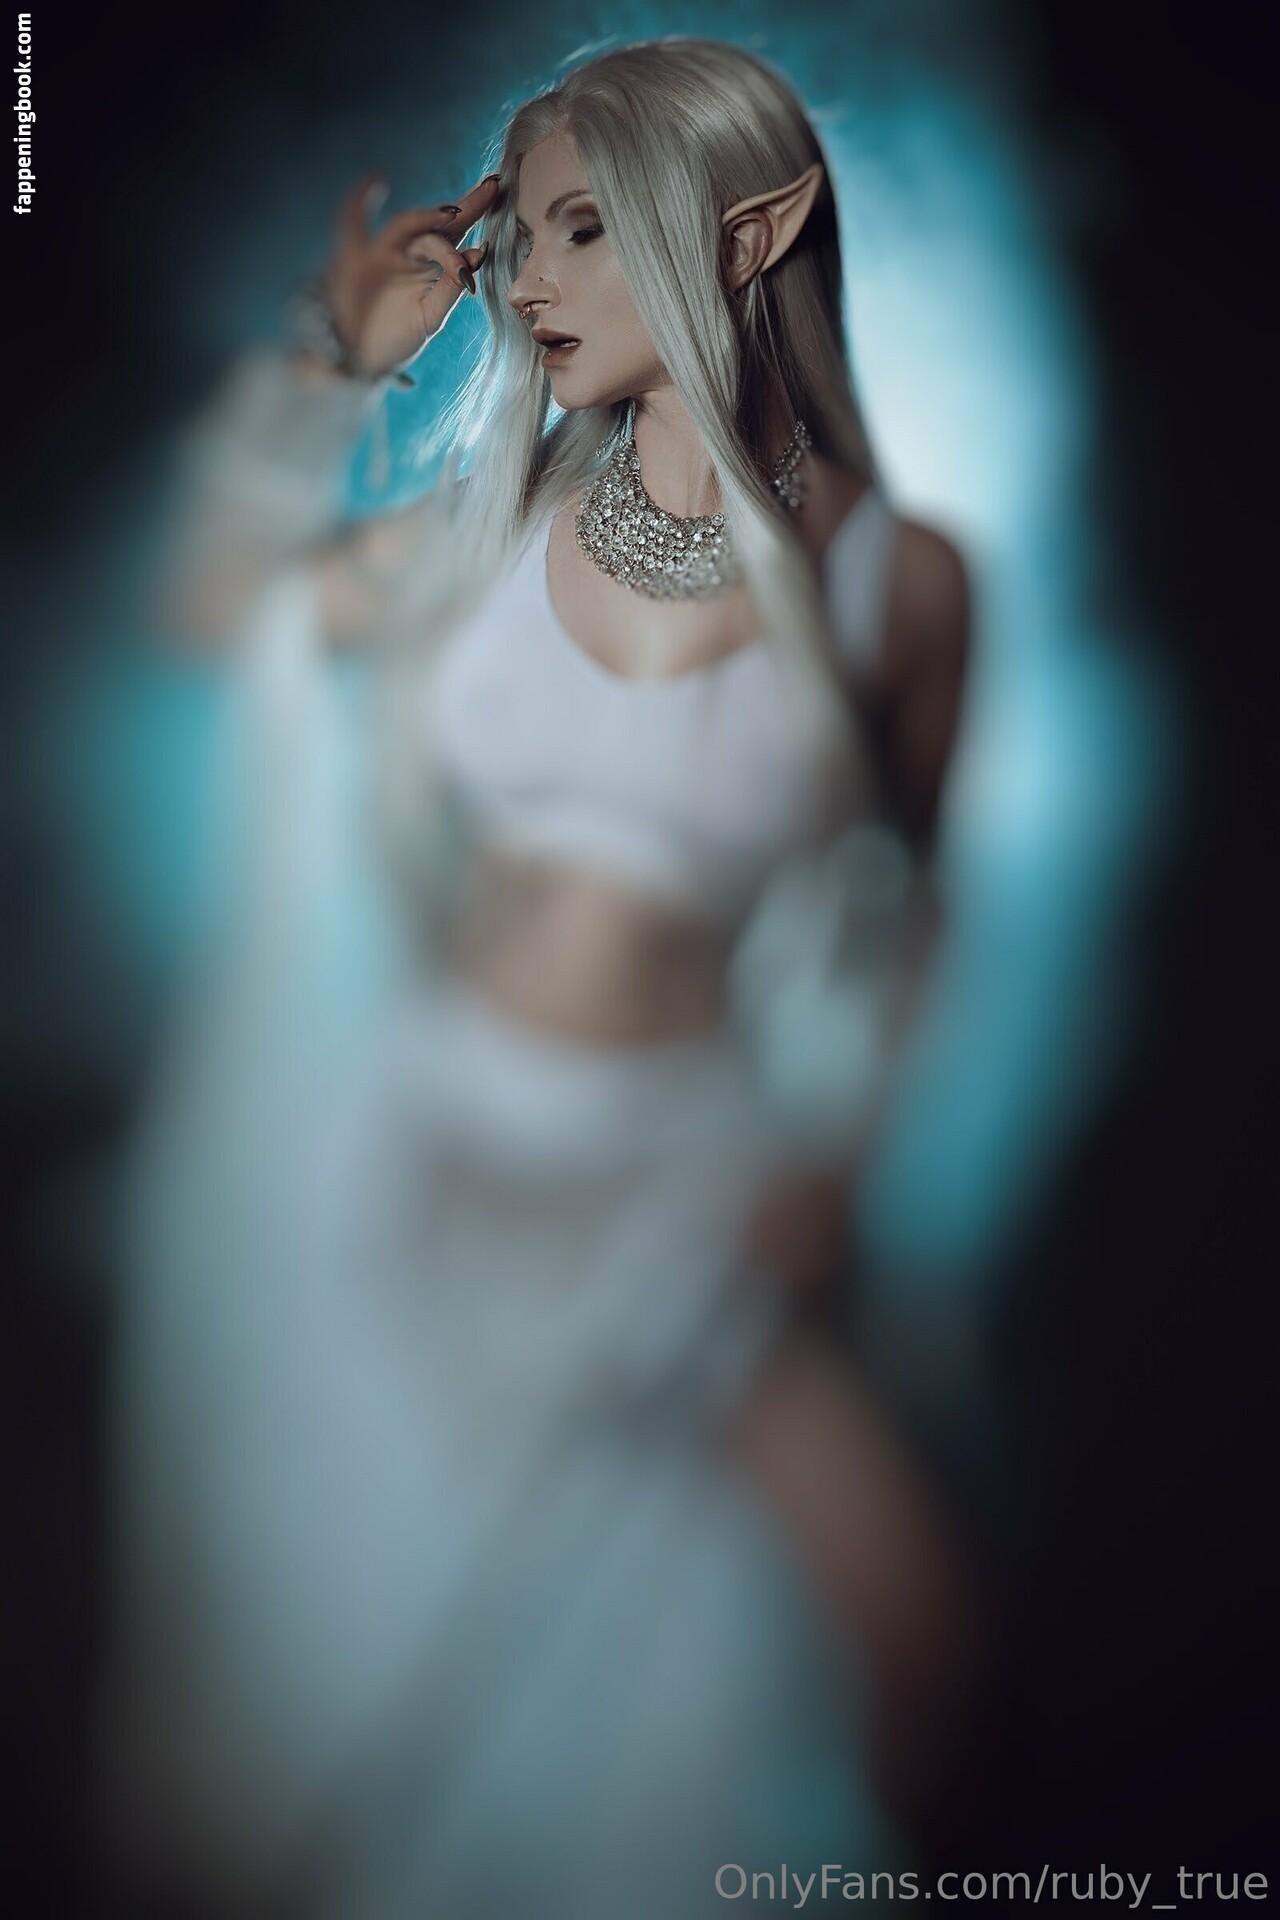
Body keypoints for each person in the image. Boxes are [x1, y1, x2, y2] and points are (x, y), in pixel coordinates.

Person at [100, 37, 979, 1920]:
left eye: (584, 229)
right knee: (374, 1716)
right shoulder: (490, 521)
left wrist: (838, 1160)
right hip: (420, 1157)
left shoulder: (898, 586)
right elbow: (211, 612)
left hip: (678, 1203)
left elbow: (917, 901)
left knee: (910, 1649)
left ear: (752, 232)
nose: (525, 281)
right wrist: (328, 366)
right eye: (523, 235)